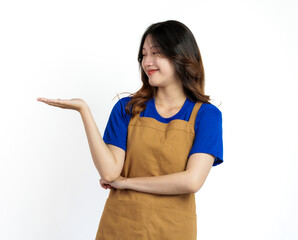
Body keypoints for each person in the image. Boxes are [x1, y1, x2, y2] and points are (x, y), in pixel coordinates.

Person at [37, 19, 223, 240]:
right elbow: (109, 173)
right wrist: (84, 111)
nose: (147, 62)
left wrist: (126, 183)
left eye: (156, 53)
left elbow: (192, 181)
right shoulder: (127, 108)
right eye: (143, 55)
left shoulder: (206, 115)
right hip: (120, 226)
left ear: (181, 56)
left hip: (173, 230)